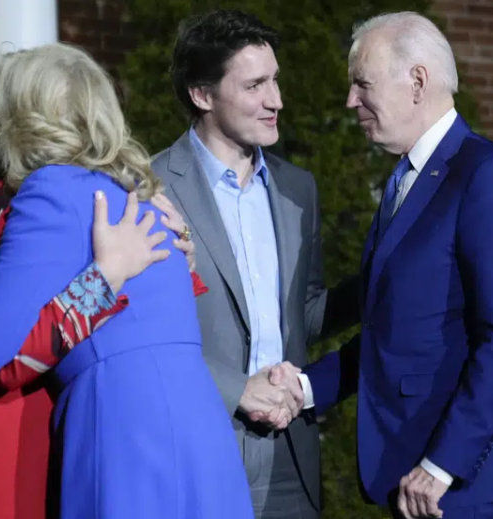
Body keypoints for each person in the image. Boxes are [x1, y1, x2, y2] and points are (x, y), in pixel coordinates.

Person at [0, 42, 254, 519]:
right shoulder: (144, 197)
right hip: (202, 428)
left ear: (21, 119)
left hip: (122, 423)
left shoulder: (50, 190)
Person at [270, 12, 493, 519]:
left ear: (417, 81)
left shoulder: (486, 176)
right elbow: (394, 333)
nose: (351, 100)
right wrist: (305, 389)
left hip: (461, 487)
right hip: (408, 476)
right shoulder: (405, 179)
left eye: (362, 83)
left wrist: (443, 465)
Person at [149, 9, 359, 519]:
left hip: (291, 454)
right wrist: (235, 389)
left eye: (275, 80)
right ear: (202, 95)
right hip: (196, 449)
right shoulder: (150, 187)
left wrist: (380, 280)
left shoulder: (298, 189)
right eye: (255, 85)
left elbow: (304, 314)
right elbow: (139, 334)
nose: (276, 100)